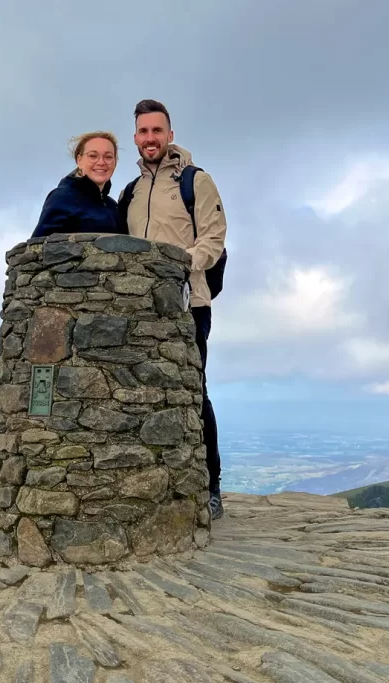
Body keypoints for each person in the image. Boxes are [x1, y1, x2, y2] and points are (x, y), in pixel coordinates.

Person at [117, 99, 228, 520]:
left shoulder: (195, 181)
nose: (150, 139)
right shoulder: (131, 190)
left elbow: (213, 241)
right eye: (143, 132)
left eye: (157, 131)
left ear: (170, 134)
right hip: (139, 310)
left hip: (188, 306)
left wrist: (176, 268)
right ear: (135, 139)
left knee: (193, 391)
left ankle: (211, 486)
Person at [31, 131, 127, 238]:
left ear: (115, 162)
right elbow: (38, 246)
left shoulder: (113, 206)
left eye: (108, 157)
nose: (101, 162)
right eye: (93, 156)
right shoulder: (62, 198)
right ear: (79, 160)